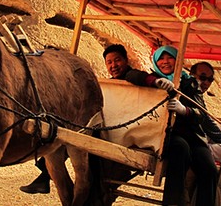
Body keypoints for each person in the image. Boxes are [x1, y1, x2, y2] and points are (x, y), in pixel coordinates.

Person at [19, 44, 173, 194]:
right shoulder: (108, 82)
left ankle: (45, 177)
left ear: (126, 60)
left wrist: (154, 81)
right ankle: (45, 176)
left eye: (117, 60)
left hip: (120, 129)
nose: (114, 65)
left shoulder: (130, 76)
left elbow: (138, 76)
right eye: (109, 62)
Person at [152, 46, 221, 206]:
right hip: (167, 134)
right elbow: (134, 76)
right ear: (156, 61)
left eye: (170, 58)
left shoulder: (190, 84)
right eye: (161, 58)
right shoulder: (152, 79)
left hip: (193, 137)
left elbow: (201, 114)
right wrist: (155, 82)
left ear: (177, 60)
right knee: (180, 149)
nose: (165, 62)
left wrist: (184, 110)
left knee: (209, 168)